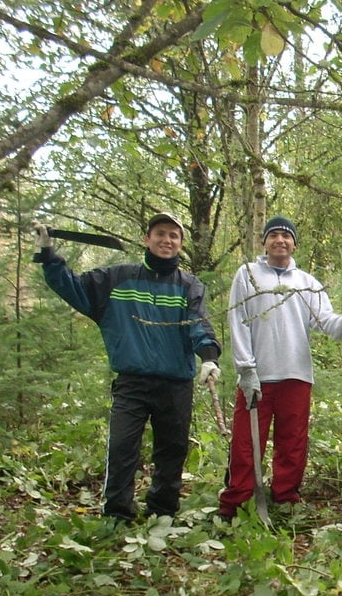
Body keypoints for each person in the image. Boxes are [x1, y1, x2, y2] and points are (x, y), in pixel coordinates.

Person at [32, 213, 221, 523]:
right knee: (122, 447)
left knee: (172, 451)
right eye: (160, 233)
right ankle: (117, 514)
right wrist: (49, 256)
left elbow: (198, 324)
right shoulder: (116, 279)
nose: (166, 240)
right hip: (132, 382)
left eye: (173, 235)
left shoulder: (189, 285)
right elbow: (72, 287)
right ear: (147, 239)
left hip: (176, 384)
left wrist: (209, 356)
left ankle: (163, 512)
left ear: (181, 244)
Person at [218, 216, 342, 519]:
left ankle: (285, 496)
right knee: (245, 443)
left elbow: (327, 323)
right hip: (257, 376)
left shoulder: (306, 282)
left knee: (293, 440)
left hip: (296, 375)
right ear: (265, 242)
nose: (280, 240)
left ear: (295, 243)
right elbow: (238, 322)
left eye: (286, 236)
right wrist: (246, 369)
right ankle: (237, 501)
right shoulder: (247, 275)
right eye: (274, 235)